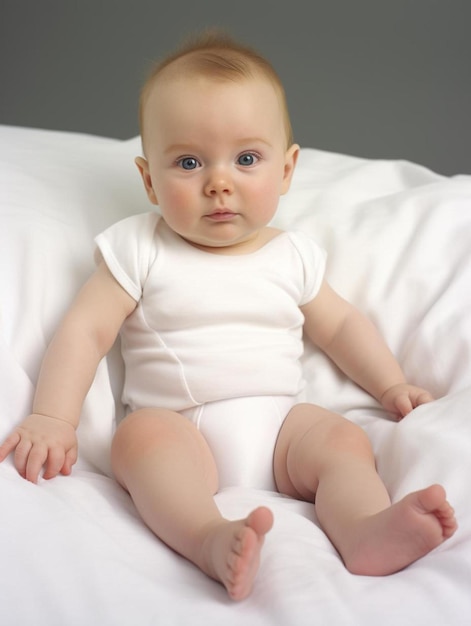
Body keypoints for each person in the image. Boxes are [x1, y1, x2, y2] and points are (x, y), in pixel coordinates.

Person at [0, 32, 457, 601]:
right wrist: (54, 418)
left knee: (343, 442)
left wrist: (391, 385)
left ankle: (364, 531)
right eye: (189, 162)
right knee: (140, 443)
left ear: (287, 170)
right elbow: (86, 330)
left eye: (246, 159)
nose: (219, 182)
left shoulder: (293, 254)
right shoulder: (140, 246)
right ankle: (207, 537)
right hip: (181, 424)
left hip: (280, 430)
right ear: (149, 180)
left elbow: (340, 326)